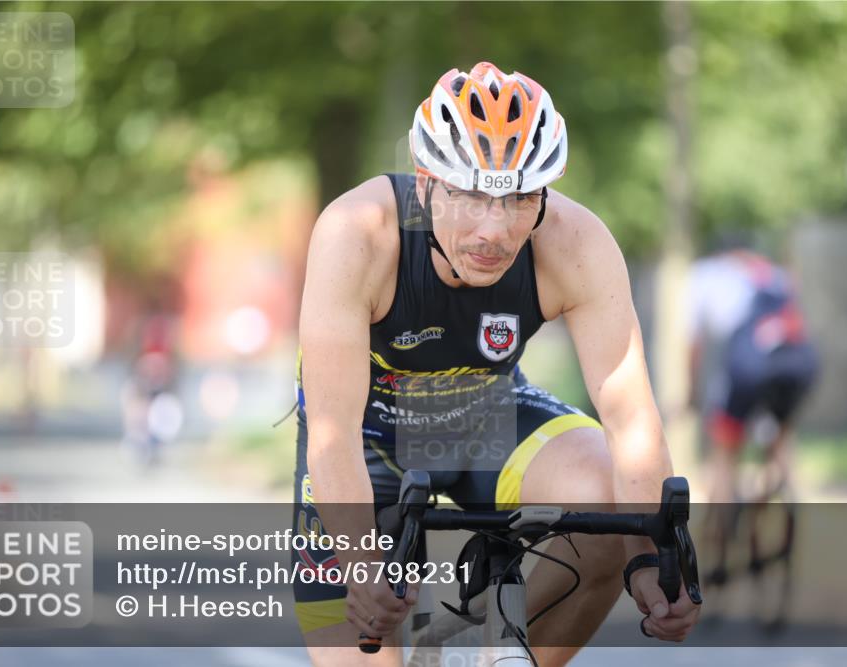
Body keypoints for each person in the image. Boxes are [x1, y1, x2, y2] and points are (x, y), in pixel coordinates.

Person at [293, 62, 701, 666]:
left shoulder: (575, 243)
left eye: (517, 199)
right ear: (427, 183)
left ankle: (481, 654)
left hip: (488, 419)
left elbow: (631, 419)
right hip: (366, 442)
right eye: (471, 195)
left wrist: (648, 559)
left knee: (611, 500)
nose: (495, 228)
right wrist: (360, 564)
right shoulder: (357, 232)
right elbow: (331, 435)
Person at [686, 244, 819, 577]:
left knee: (724, 452)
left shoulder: (703, 275)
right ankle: (781, 501)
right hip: (797, 367)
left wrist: (691, 394)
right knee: (780, 440)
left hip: (747, 369)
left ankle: (721, 535)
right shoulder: (772, 273)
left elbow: (694, 345)